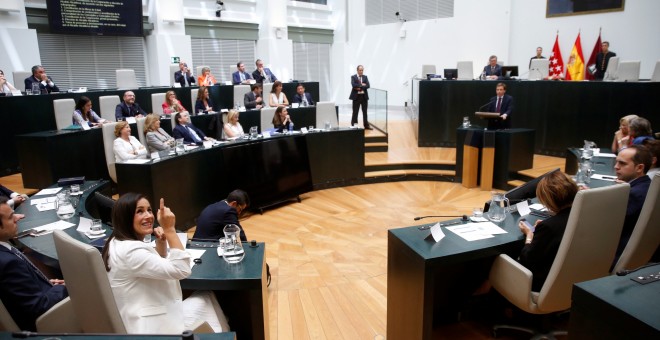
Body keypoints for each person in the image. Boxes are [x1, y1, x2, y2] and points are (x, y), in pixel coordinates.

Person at [101, 194, 228, 333]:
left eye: (149, 210)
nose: (148, 216)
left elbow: (148, 266)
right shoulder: (131, 251)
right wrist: (170, 230)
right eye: (140, 211)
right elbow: (182, 270)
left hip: (142, 315)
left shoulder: (116, 241)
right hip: (152, 328)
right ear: (125, 217)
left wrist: (161, 244)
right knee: (205, 298)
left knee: (206, 297)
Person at [0, 197, 68, 331]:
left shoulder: (5, 251)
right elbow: (38, 306)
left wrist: (48, 284)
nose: (16, 219)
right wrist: (67, 287)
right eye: (10, 217)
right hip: (44, 324)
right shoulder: (8, 262)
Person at [517, 171, 578, 291]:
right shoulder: (581, 215)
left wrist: (529, 235)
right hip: (574, 280)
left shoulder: (549, 227)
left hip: (542, 284)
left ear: (548, 199)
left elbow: (526, 259)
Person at [613, 145, 652, 261]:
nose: (616, 167)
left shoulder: (634, 194)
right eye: (616, 162)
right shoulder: (647, 184)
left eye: (622, 163)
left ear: (639, 168)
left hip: (618, 255)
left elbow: (609, 225)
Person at [349, 65, 372, 129]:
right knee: (355, 112)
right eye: (360, 70)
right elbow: (353, 85)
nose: (361, 71)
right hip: (356, 97)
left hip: (364, 97)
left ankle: (366, 125)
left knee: (365, 112)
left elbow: (368, 85)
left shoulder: (365, 77)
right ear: (357, 70)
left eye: (362, 70)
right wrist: (362, 85)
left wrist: (359, 86)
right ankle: (354, 125)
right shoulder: (353, 77)